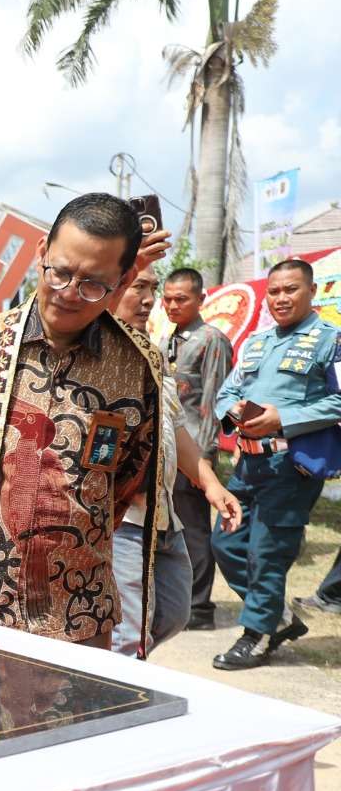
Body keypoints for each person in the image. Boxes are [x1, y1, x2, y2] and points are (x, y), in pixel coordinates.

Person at [0, 193, 167, 651]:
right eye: (59, 272)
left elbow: (126, 480)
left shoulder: (138, 366)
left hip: (78, 610)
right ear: (40, 253)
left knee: (79, 723)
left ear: (124, 278)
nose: (70, 293)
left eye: (94, 283)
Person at [209, 258, 341, 669]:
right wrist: (235, 412)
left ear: (311, 292)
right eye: (275, 291)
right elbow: (225, 393)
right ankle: (276, 616)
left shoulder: (331, 341)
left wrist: (283, 417)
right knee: (226, 543)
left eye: (291, 290)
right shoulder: (257, 342)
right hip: (247, 465)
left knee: (267, 553)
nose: (281, 298)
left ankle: (257, 636)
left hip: (291, 466)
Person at [108, 268, 243, 657]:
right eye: (141, 288)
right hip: (125, 518)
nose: (154, 302)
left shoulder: (169, 348)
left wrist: (209, 479)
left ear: (200, 299)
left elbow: (196, 413)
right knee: (129, 636)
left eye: (158, 291)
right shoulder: (99, 355)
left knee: (172, 614)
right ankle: (121, 703)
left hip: (166, 509)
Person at [159, 267, 235, 630]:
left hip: (194, 453)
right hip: (168, 449)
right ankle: (179, 597)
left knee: (193, 528)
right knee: (172, 524)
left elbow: (215, 401)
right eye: (168, 298)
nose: (172, 305)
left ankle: (200, 606)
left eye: (181, 299)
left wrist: (203, 460)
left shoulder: (211, 340)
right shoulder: (166, 339)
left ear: (201, 299)